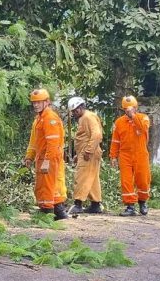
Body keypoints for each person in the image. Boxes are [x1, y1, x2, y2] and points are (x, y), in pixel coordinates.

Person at [23, 89, 68, 220]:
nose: (35, 105)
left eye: (38, 102)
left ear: (47, 102)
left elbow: (53, 142)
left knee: (48, 186)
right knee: (44, 186)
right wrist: (29, 156)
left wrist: (48, 160)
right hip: (42, 157)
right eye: (34, 103)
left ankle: (48, 213)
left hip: (50, 157)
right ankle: (58, 212)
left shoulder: (50, 118)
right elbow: (34, 141)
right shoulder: (38, 119)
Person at [109, 95, 151, 216]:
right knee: (126, 181)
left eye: (131, 108)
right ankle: (130, 206)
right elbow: (115, 141)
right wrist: (113, 156)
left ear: (136, 107)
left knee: (143, 179)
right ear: (123, 109)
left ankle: (143, 202)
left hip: (141, 154)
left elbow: (143, 128)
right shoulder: (119, 122)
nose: (128, 110)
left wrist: (133, 117)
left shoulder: (144, 118)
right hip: (125, 155)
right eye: (126, 109)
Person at [67, 97, 103, 215]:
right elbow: (85, 137)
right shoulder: (84, 117)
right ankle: (95, 204)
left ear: (81, 107)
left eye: (75, 111)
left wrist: (88, 151)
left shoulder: (88, 117)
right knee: (92, 178)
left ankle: (78, 203)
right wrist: (79, 154)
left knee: (81, 176)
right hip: (87, 152)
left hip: (89, 153)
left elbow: (97, 135)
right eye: (72, 111)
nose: (74, 113)